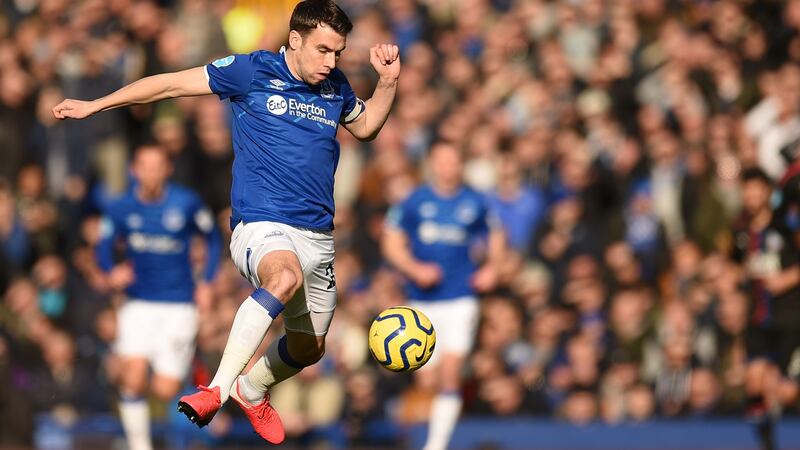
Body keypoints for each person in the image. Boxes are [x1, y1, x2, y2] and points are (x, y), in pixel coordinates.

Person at [53, 0, 400, 444]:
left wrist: (388, 82)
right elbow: (169, 86)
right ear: (295, 40)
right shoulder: (250, 71)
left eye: (338, 53)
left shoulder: (335, 86)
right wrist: (96, 105)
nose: (331, 62)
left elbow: (367, 125)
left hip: (318, 234)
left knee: (308, 348)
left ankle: (251, 390)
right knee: (284, 276)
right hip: (261, 223)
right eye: (323, 50)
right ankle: (216, 390)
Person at [382, 142, 506, 450]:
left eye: (453, 161)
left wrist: (493, 268)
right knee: (426, 378)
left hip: (460, 297)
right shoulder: (414, 201)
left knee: (451, 372)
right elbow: (391, 241)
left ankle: (436, 444)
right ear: (432, 164)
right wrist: (414, 268)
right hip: (422, 300)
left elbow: (497, 234)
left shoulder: (475, 201)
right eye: (442, 161)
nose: (448, 168)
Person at [96, 145, 221, 450]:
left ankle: (156, 425)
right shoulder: (121, 207)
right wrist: (111, 270)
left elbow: (213, 238)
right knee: (133, 376)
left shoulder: (186, 203)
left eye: (157, 166)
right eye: (144, 165)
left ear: (168, 169)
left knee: (164, 389)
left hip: (179, 306)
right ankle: (140, 445)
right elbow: (102, 246)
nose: (151, 173)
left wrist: (206, 282)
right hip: (138, 303)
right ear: (133, 170)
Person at [730, 168, 800, 450]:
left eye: (757, 188)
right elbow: (734, 266)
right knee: (753, 383)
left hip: (791, 319)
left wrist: (787, 278)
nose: (751, 195)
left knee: (786, 393)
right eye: (746, 189)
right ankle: (767, 445)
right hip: (758, 319)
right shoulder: (739, 231)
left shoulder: (787, 225)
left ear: (767, 192)